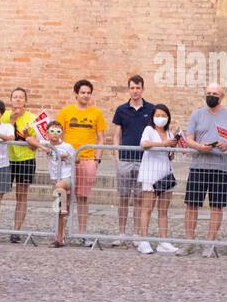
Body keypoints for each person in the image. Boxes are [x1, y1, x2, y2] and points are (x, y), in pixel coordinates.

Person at [182, 83, 227, 257]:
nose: (211, 95)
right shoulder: (197, 114)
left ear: (222, 96)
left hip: (221, 168)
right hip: (199, 166)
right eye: (208, 93)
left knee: (217, 206)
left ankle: (210, 242)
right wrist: (199, 147)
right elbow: (189, 139)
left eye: (214, 93)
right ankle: (188, 241)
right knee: (191, 205)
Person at [56, 79, 106, 238]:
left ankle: (82, 234)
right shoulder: (66, 112)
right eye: (83, 92)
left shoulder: (96, 113)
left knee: (83, 198)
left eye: (88, 93)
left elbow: (101, 138)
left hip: (87, 159)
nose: (86, 95)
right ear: (76, 94)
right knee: (64, 195)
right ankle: (61, 233)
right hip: (68, 161)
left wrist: (97, 160)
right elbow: (57, 134)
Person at [111, 75, 155, 246]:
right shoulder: (121, 110)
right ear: (128, 89)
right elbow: (117, 134)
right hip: (125, 158)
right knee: (123, 197)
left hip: (143, 159)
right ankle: (122, 233)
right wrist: (116, 156)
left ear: (142, 89)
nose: (135, 91)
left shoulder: (151, 109)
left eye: (138, 88)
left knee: (138, 198)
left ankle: (136, 234)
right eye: (132, 88)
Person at [134, 104, 180, 255]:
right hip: (150, 172)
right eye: (158, 115)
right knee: (147, 208)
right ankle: (144, 240)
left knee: (163, 210)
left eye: (164, 115)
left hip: (165, 172)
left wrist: (172, 148)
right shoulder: (149, 130)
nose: (161, 118)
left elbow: (169, 154)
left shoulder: (169, 133)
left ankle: (163, 240)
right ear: (153, 116)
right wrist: (163, 144)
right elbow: (144, 144)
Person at [1, 87, 39, 241]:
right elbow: (3, 136)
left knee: (21, 195)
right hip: (7, 159)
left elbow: (35, 144)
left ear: (26, 101)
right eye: (15, 97)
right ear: (10, 100)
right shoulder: (3, 116)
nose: (17, 99)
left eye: (21, 97)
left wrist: (29, 137)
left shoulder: (33, 118)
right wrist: (12, 121)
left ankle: (16, 231)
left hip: (26, 160)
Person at [43, 121, 74, 247]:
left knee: (59, 188)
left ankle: (63, 209)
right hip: (55, 178)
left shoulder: (67, 146)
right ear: (47, 133)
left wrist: (67, 157)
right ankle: (60, 238)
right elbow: (30, 140)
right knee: (59, 212)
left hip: (67, 178)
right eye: (52, 131)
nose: (55, 134)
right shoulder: (47, 145)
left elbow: (76, 160)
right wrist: (44, 149)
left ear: (62, 133)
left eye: (58, 131)